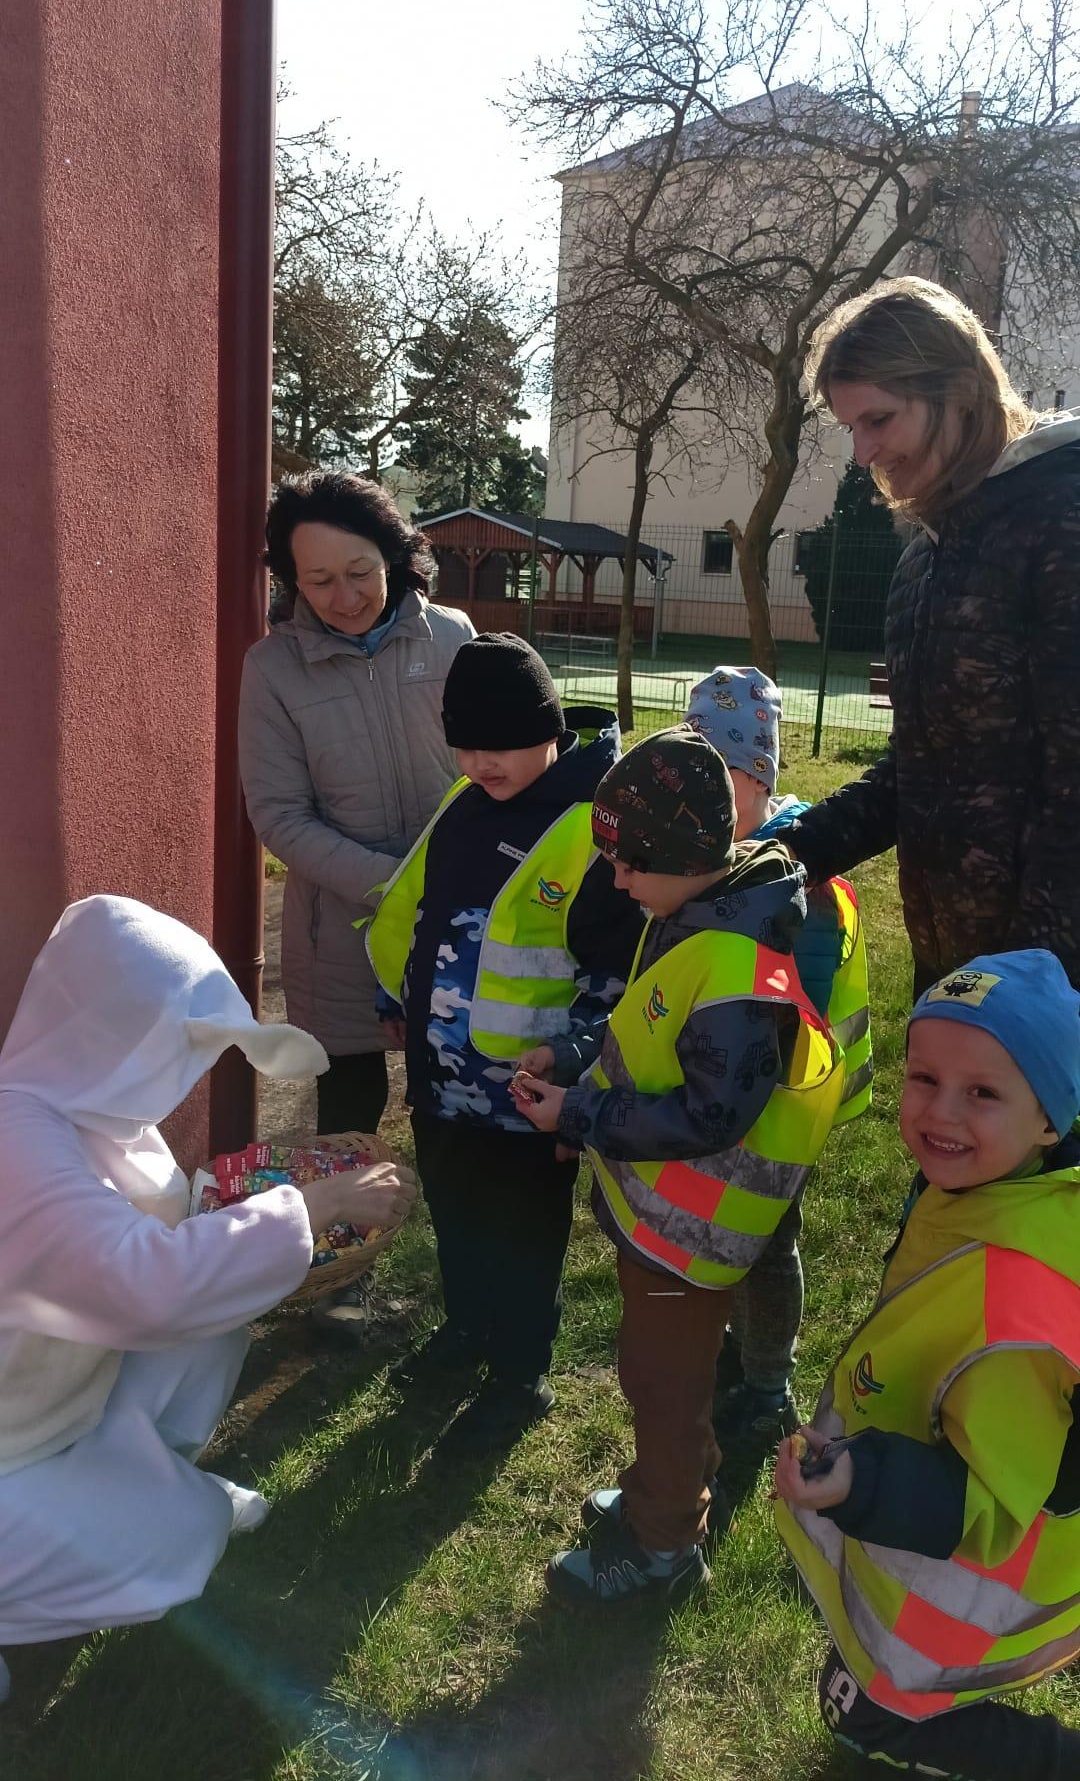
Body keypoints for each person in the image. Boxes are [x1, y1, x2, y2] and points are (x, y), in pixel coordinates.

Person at [0, 895, 415, 1698]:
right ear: (113, 1024)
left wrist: (250, 1207)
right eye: (176, 1042)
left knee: (216, 1319)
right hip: (16, 1437)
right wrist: (315, 1207)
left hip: (45, 1409)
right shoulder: (16, 1138)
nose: (183, 1067)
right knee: (159, 1542)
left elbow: (161, 1240)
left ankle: (143, 1477)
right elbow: (142, 1286)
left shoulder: (89, 1112)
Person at [513, 727, 844, 1607]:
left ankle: (662, 1546)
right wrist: (577, 1057)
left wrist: (579, 1113)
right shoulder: (699, 911)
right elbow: (641, 1023)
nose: (617, 881)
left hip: (692, 1239)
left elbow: (710, 1113)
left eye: (628, 864)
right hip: (660, 1223)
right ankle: (675, 1483)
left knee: (663, 1385)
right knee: (659, 1375)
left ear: (685, 854)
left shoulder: (737, 966)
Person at [775, 950, 1080, 1779]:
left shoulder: (1015, 1309)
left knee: (876, 1719)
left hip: (965, 1580)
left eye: (983, 1092)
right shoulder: (993, 1193)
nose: (939, 1113)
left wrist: (860, 1485)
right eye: (923, 1077)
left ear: (1052, 1118)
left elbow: (989, 1498)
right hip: (914, 1524)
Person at [367, 634, 642, 1450]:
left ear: (549, 727)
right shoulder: (464, 803)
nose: (482, 762)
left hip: (529, 1097)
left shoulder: (593, 826)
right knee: (457, 1214)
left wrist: (581, 1074)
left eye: (502, 743)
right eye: (467, 743)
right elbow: (419, 908)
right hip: (442, 1076)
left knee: (523, 1232)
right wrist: (399, 998)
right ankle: (467, 1330)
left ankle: (521, 1373)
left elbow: (611, 973)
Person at [774, 276, 1080, 997]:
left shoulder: (1061, 521)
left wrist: (1029, 995)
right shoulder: (925, 554)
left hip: (1043, 998)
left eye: (879, 420)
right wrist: (777, 856)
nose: (862, 453)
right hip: (958, 977)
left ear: (963, 389)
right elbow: (922, 772)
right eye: (851, 428)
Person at [238, 470, 475, 1144]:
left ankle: (450, 1234)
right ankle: (347, 1242)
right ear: (291, 580)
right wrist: (394, 887)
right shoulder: (272, 669)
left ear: (393, 558)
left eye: (360, 571)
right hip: (341, 936)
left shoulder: (454, 638)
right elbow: (280, 815)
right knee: (349, 1111)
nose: (345, 598)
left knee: (453, 1098)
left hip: (457, 916)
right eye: (319, 581)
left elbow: (499, 769)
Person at [686, 665, 871, 1446]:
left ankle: (768, 1385)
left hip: (779, 1104)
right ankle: (737, 1350)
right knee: (723, 1236)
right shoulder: (702, 857)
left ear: (759, 772)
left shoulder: (800, 878)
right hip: (717, 1095)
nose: (702, 797)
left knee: (767, 1246)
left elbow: (805, 1008)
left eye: (721, 775)